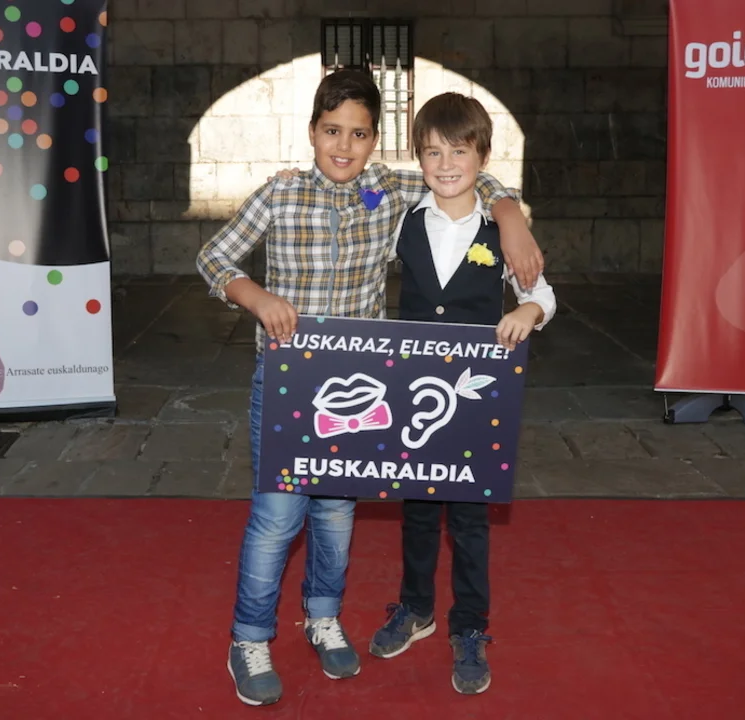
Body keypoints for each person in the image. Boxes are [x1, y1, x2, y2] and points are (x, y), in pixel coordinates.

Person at [195, 70, 544, 707]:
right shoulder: (279, 193)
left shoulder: (388, 189)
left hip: (359, 390)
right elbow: (213, 257)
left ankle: (323, 617)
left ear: (375, 140)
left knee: (335, 513)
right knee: (277, 518)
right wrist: (256, 297)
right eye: (332, 131)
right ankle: (249, 638)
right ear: (311, 131)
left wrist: (510, 218)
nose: (344, 146)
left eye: (358, 134)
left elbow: (466, 172)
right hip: (288, 385)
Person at [368, 92, 557, 696]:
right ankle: (415, 607)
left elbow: (542, 293)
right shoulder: (403, 218)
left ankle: (470, 624)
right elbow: (357, 201)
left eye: (459, 151)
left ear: (482, 156)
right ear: (418, 159)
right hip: (414, 395)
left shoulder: (499, 230)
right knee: (417, 510)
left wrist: (526, 310)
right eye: (432, 153)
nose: (446, 164)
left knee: (471, 521)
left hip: (475, 401)